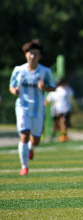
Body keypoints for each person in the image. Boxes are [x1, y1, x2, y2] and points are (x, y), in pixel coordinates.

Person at [9, 39, 56, 175]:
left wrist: (44, 87)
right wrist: (14, 91)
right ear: (26, 55)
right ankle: (24, 167)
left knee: (35, 140)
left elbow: (53, 87)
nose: (32, 56)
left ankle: (30, 148)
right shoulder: (18, 70)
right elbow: (11, 86)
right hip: (22, 107)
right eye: (30, 53)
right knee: (24, 135)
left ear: (40, 56)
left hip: (38, 109)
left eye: (35, 54)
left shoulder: (45, 71)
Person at [46, 77, 74, 142]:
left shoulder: (68, 89)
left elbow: (71, 96)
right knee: (59, 123)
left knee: (63, 121)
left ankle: (64, 136)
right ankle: (59, 135)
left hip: (66, 109)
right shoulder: (57, 90)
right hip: (58, 109)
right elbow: (51, 98)